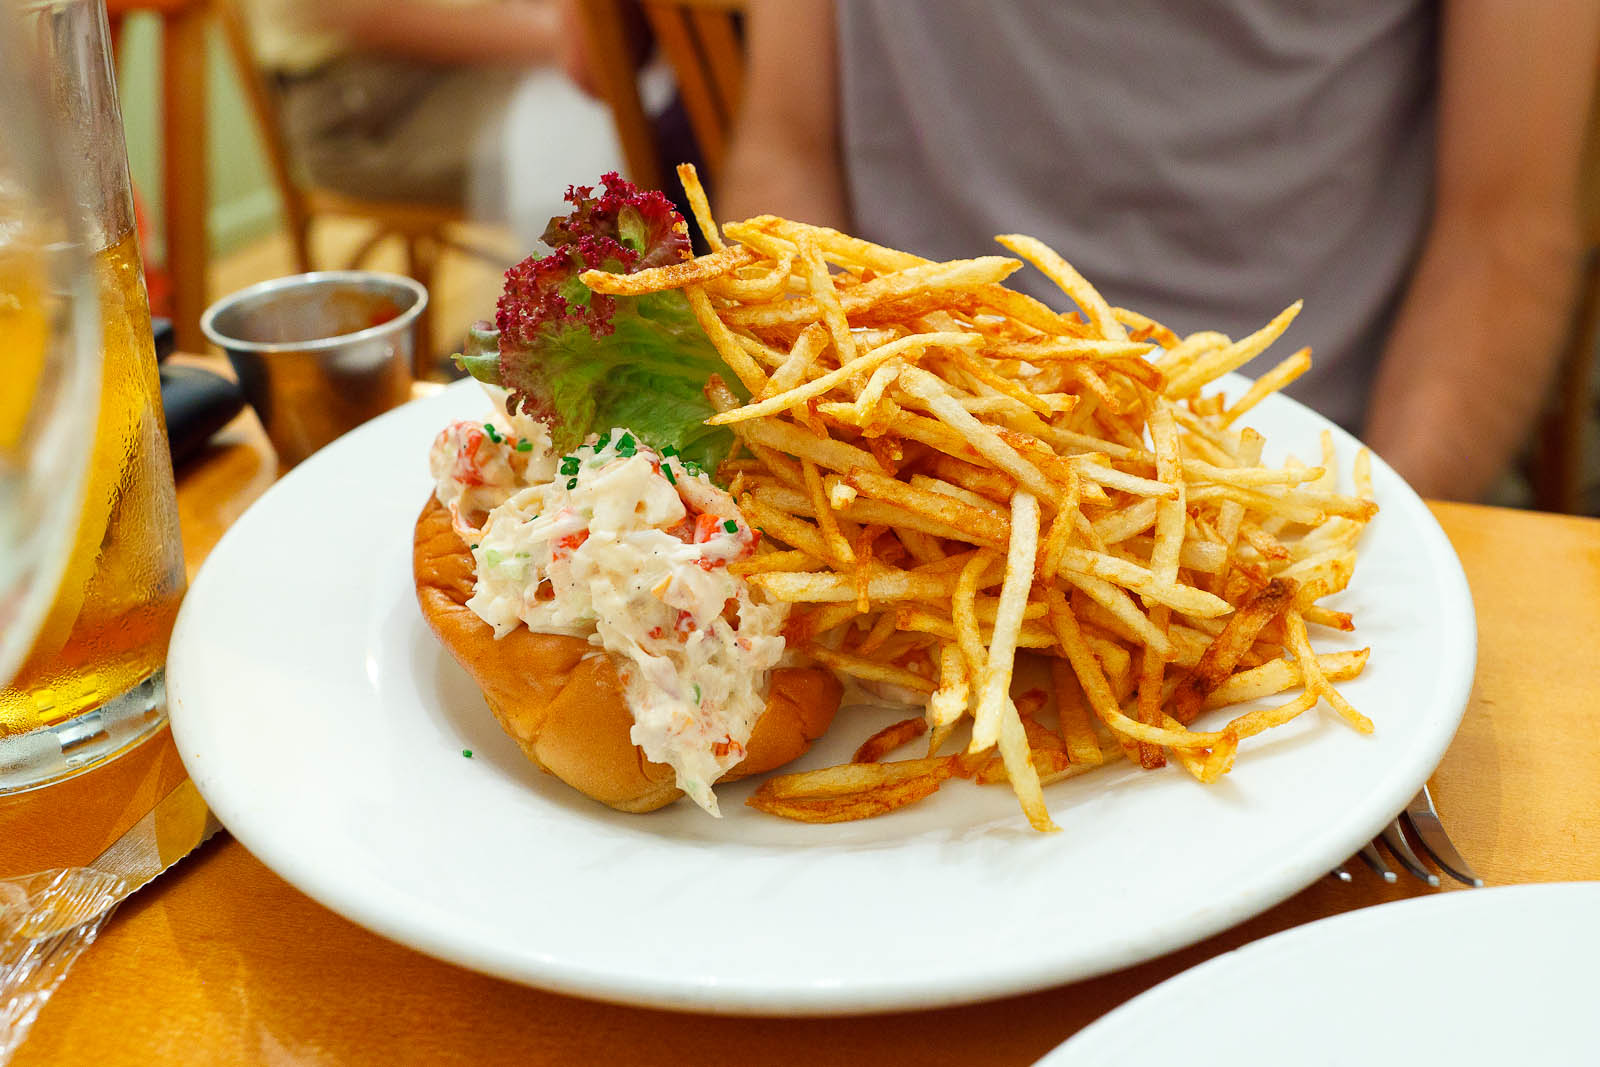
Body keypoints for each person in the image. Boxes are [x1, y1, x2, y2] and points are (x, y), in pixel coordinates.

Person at [719, 0, 1600, 503]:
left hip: (1288, 484)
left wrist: (1372, 546)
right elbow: (789, 140)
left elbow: (1504, 228)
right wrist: (816, 466)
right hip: (883, 479)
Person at [239, 0, 621, 243]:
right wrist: (569, 34)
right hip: (365, 112)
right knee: (592, 146)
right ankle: (581, 335)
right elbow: (377, 18)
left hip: (450, 70)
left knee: (626, 119)